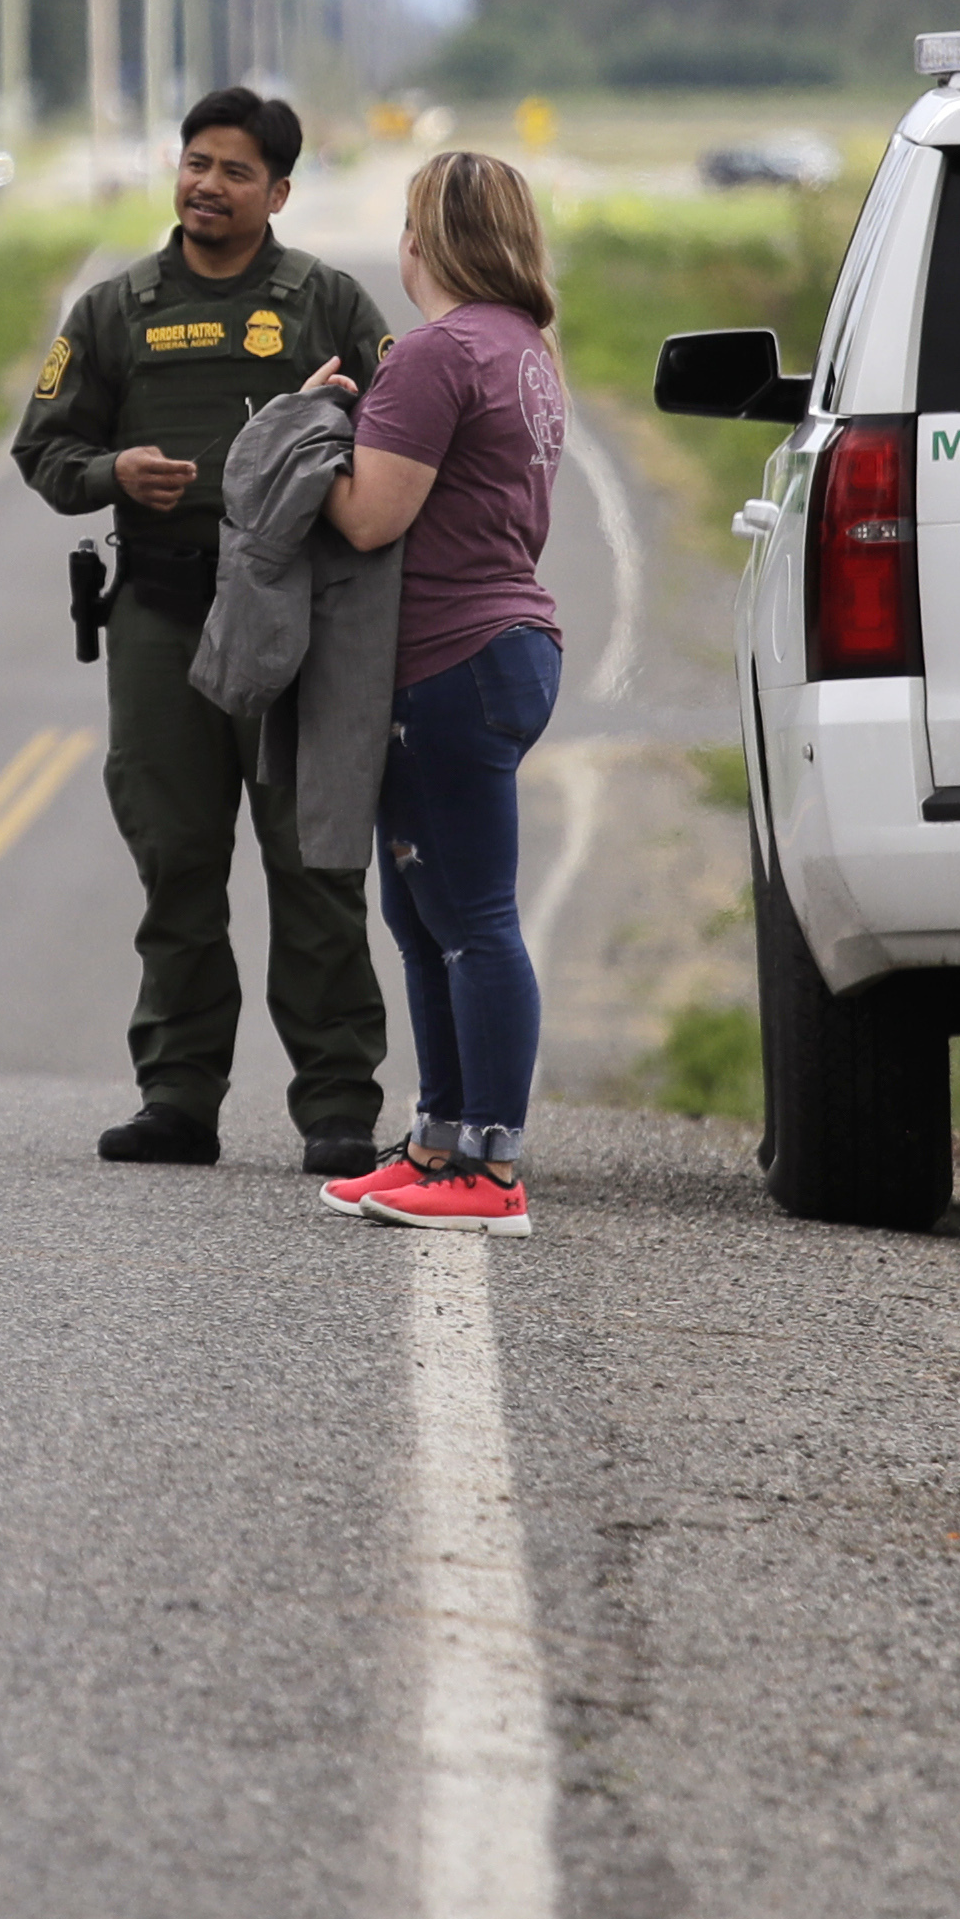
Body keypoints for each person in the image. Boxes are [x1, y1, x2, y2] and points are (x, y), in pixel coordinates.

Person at [12, 85, 392, 1176]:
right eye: (193, 162)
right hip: (159, 617)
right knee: (176, 861)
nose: (205, 185)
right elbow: (43, 451)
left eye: (232, 170)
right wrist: (110, 471)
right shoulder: (113, 309)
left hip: (290, 623)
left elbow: (400, 430)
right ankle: (176, 1097)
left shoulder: (323, 303)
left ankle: (335, 1106)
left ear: (276, 189)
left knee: (310, 864)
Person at [313, 150, 570, 1237]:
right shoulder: (524, 350)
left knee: (467, 918)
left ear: (429, 238)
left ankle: (490, 1164)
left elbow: (369, 516)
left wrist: (301, 434)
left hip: (448, 657)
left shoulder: (436, 351)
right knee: (419, 914)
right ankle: (437, 1139)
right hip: (505, 642)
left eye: (410, 222)